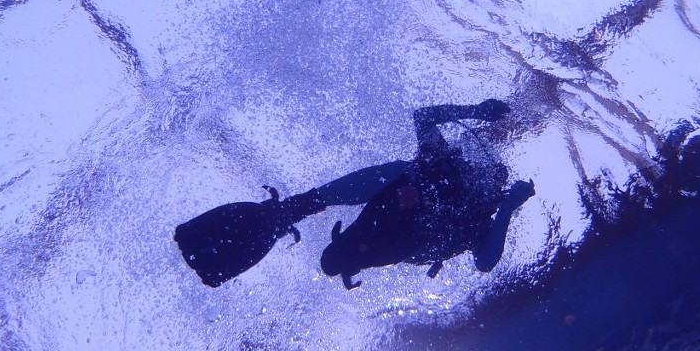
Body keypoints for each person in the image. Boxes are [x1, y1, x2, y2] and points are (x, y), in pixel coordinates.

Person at [175, 100, 534, 288]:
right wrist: (506, 209)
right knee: (400, 174)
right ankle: (289, 212)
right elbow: (484, 261)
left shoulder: (439, 171)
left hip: (387, 222)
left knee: (399, 174)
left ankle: (289, 211)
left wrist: (478, 111)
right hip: (392, 223)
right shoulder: (456, 206)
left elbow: (423, 117)